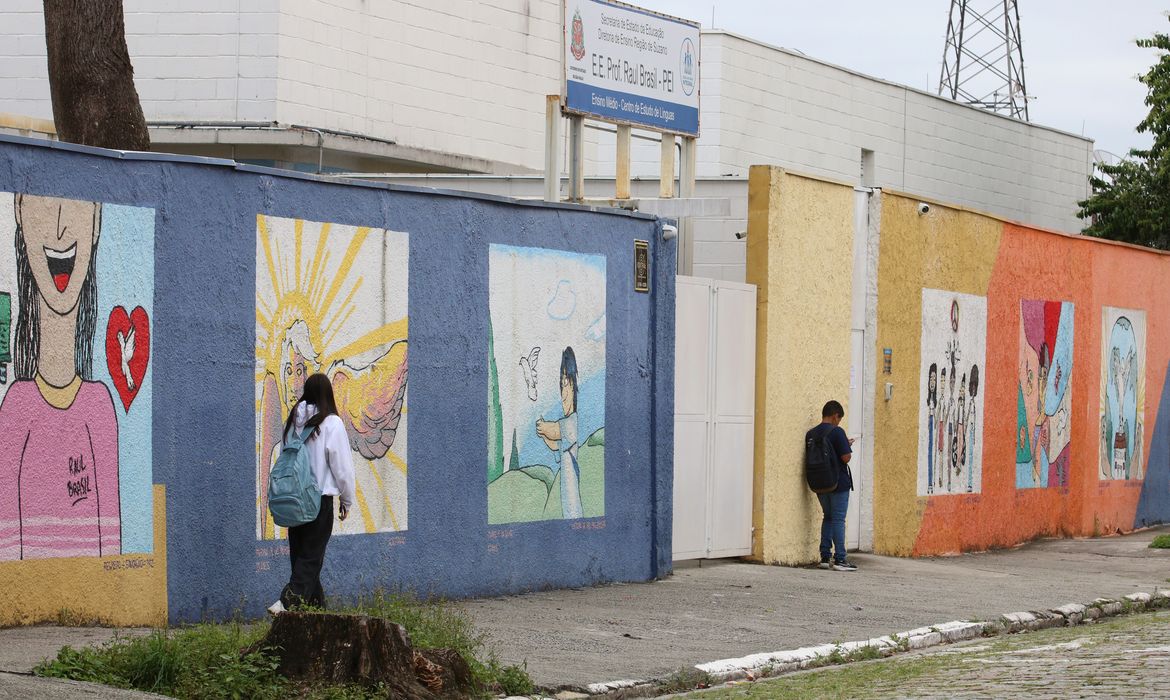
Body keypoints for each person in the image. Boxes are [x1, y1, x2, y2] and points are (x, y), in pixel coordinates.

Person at [0, 195, 120, 561]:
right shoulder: (16, 408)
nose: (60, 225)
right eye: (42, 207)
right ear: (20, 211)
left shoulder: (100, 406)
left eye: (77, 208)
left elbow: (111, 548)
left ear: (97, 220)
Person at [269, 372, 355, 614]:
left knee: (302, 559)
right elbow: (343, 468)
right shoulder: (332, 423)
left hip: (294, 500)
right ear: (328, 394)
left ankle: (318, 615)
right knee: (310, 560)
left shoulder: (292, 422)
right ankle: (285, 603)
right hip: (318, 501)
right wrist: (346, 500)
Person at [535, 347, 584, 518]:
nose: (563, 394)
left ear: (574, 386)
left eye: (567, 385)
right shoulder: (568, 426)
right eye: (561, 386)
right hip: (567, 504)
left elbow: (555, 430)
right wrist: (542, 435)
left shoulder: (572, 423)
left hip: (573, 508)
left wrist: (542, 426)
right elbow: (556, 445)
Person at [807, 400, 855, 571]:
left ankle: (825, 557)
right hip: (838, 483)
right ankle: (841, 559)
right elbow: (845, 457)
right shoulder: (837, 432)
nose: (839, 422)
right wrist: (846, 445)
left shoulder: (811, 434)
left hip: (820, 484)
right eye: (839, 419)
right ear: (835, 416)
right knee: (838, 519)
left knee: (827, 517)